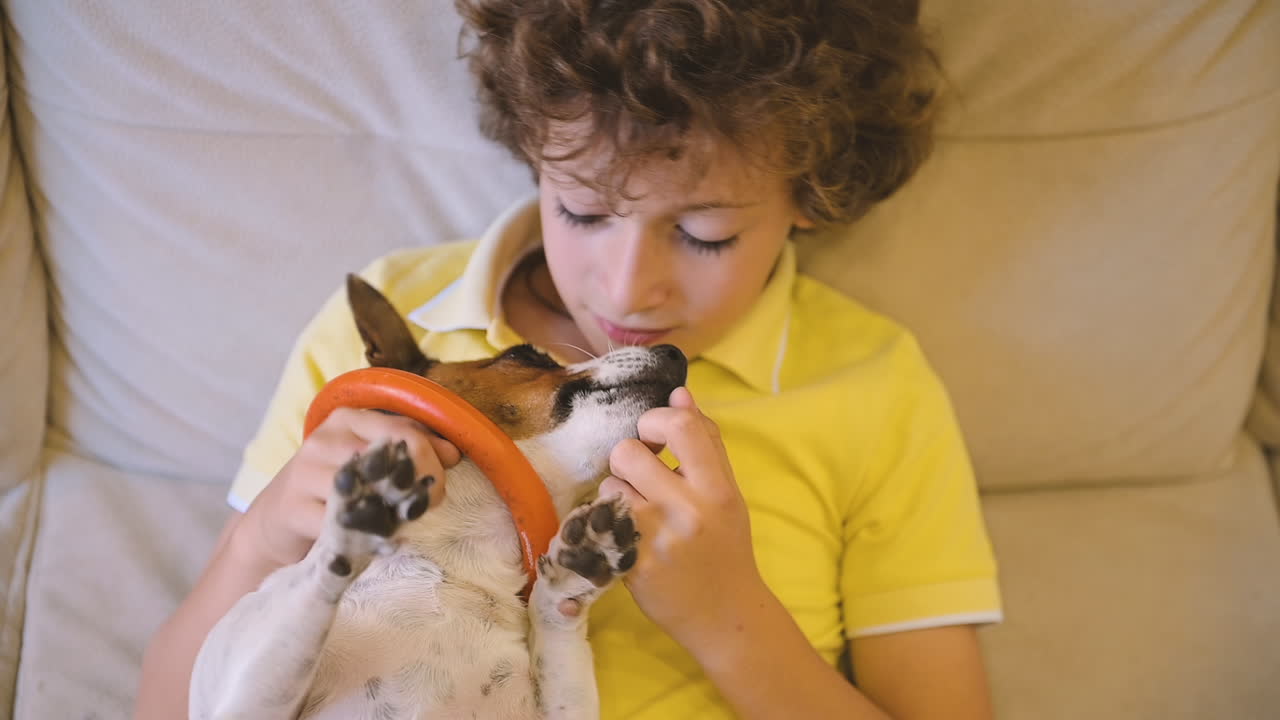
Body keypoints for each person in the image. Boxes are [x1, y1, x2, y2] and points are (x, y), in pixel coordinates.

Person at [136, 1, 1002, 718]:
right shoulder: (396, 327)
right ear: (534, 156)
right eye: (584, 212)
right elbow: (169, 706)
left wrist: (726, 615)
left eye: (704, 233)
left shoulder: (871, 381)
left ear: (814, 192)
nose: (628, 290)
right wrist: (266, 537)